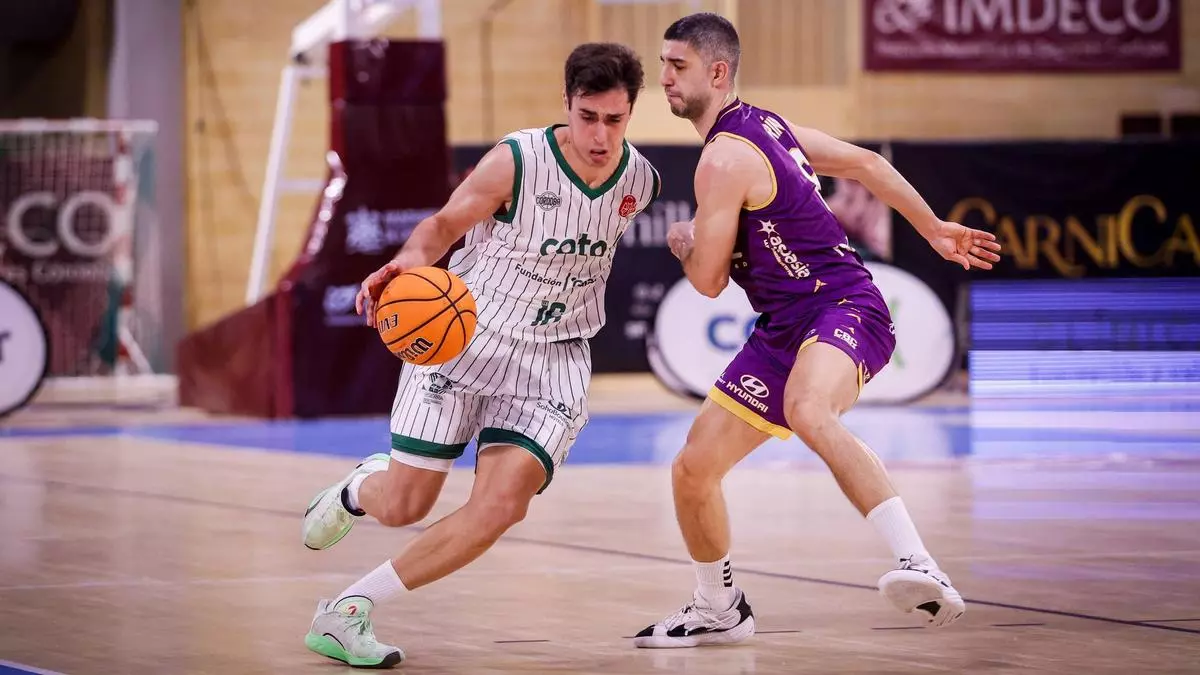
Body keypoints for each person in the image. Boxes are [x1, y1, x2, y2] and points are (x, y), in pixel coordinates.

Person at [634, 13, 1001, 648]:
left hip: (843, 306)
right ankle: (719, 608)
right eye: (663, 64)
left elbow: (708, 282)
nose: (663, 77)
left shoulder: (723, 158)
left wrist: (685, 240)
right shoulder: (768, 125)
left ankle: (919, 562)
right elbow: (864, 163)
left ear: (717, 73)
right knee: (693, 468)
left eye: (677, 65)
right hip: (785, 325)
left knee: (808, 408)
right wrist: (934, 228)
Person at [300, 42, 660, 668]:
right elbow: (443, 226)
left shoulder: (641, 181)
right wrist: (409, 263)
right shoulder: (517, 161)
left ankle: (348, 609)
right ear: (566, 103)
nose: (601, 136)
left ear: (631, 112)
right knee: (405, 506)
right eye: (588, 117)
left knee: (500, 507)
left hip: (554, 360)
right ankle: (360, 488)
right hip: (464, 337)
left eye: (615, 119)